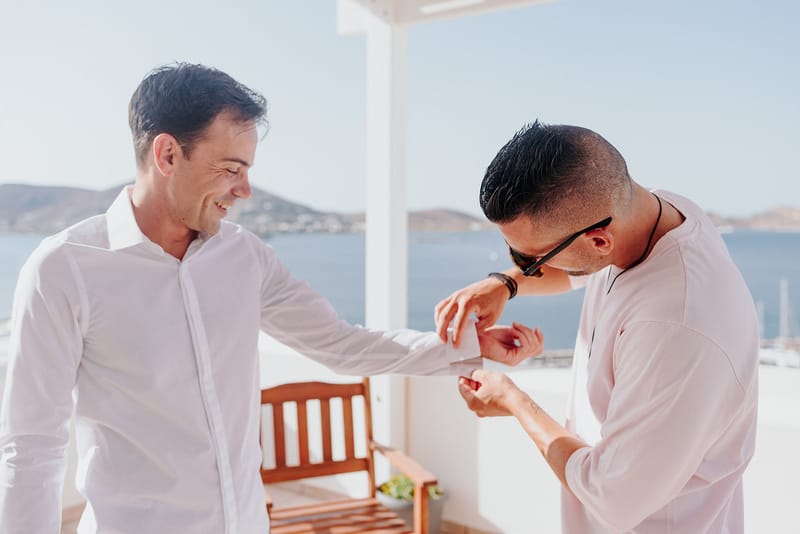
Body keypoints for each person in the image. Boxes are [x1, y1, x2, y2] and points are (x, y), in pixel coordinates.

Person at [0, 63, 542, 534]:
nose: (244, 191)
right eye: (230, 169)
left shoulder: (245, 257)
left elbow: (340, 344)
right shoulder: (64, 269)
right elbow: (31, 446)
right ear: (167, 154)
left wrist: (470, 347)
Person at [435, 121, 759, 533]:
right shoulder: (656, 214)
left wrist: (513, 401)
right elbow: (579, 271)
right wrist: (506, 283)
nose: (525, 266)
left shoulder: (674, 325)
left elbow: (613, 496)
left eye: (530, 259)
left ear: (600, 240)